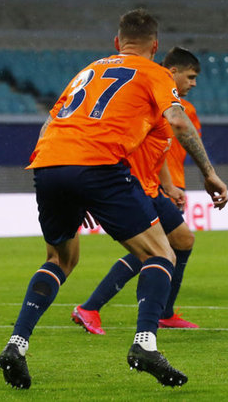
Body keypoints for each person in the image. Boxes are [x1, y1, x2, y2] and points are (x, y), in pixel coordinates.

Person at [0, 9, 228, 389]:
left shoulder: (88, 71)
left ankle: (16, 344)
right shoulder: (154, 72)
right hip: (100, 165)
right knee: (161, 254)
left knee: (59, 259)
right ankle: (145, 344)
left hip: (49, 163)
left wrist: (67, 184)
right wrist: (209, 173)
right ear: (155, 46)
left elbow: (50, 122)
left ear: (117, 42)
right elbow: (178, 121)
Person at [71, 47, 204, 335]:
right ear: (173, 72)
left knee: (182, 240)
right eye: (190, 77)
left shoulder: (167, 103)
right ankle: (90, 307)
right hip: (131, 186)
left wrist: (168, 185)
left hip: (151, 187)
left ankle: (164, 313)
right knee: (155, 250)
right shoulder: (147, 97)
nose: (193, 83)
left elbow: (159, 148)